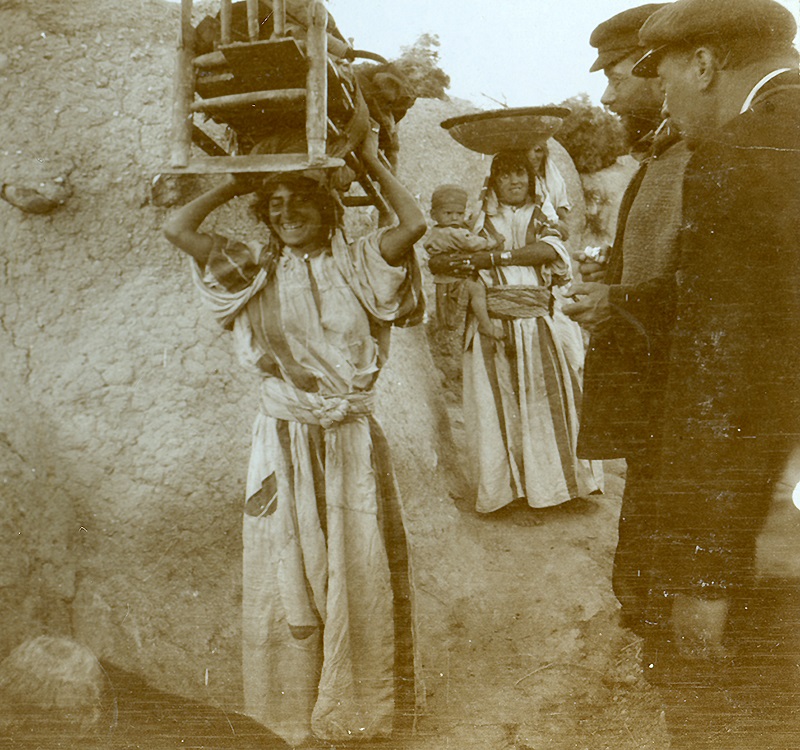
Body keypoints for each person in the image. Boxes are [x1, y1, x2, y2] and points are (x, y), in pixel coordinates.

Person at [163, 128, 426, 746]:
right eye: (273, 207)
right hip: (281, 439)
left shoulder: (357, 261)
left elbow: (412, 223)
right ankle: (291, 714)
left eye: (298, 201)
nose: (286, 215)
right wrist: (243, 177)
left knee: (355, 570)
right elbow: (178, 229)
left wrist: (365, 159)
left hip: (348, 444)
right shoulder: (253, 265)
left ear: (326, 205)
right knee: (286, 573)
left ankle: (355, 710)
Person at [626, 1, 800, 745]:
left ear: (704, 63)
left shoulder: (743, 154)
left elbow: (724, 386)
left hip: (772, 523)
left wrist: (702, 575)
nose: (664, 102)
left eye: (665, 81)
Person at [563, 3, 693, 643]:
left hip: (682, 385)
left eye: (617, 75)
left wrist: (618, 300)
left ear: (655, 67)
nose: (608, 94)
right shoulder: (664, 155)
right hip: (653, 381)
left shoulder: (701, 155)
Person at [430, 151, 602, 519]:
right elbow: (439, 259)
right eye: (506, 174)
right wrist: (460, 261)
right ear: (494, 181)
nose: (515, 181)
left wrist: (494, 259)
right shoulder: (476, 220)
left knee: (543, 402)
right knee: (497, 406)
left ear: (531, 179)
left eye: (521, 174)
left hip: (534, 321)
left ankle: (556, 489)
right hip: (491, 323)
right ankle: (504, 494)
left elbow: (549, 251)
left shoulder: (543, 216)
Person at [424, 183, 504, 341]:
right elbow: (471, 243)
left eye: (459, 214)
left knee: (449, 312)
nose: (454, 218)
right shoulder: (452, 233)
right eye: (448, 213)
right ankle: (486, 325)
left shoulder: (437, 231)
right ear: (434, 215)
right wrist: (493, 242)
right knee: (477, 291)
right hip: (455, 279)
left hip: (445, 280)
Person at [527, 141, 571, 239]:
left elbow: (562, 216)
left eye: (538, 151)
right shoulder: (521, 182)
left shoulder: (554, 178)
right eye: (527, 151)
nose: (532, 157)